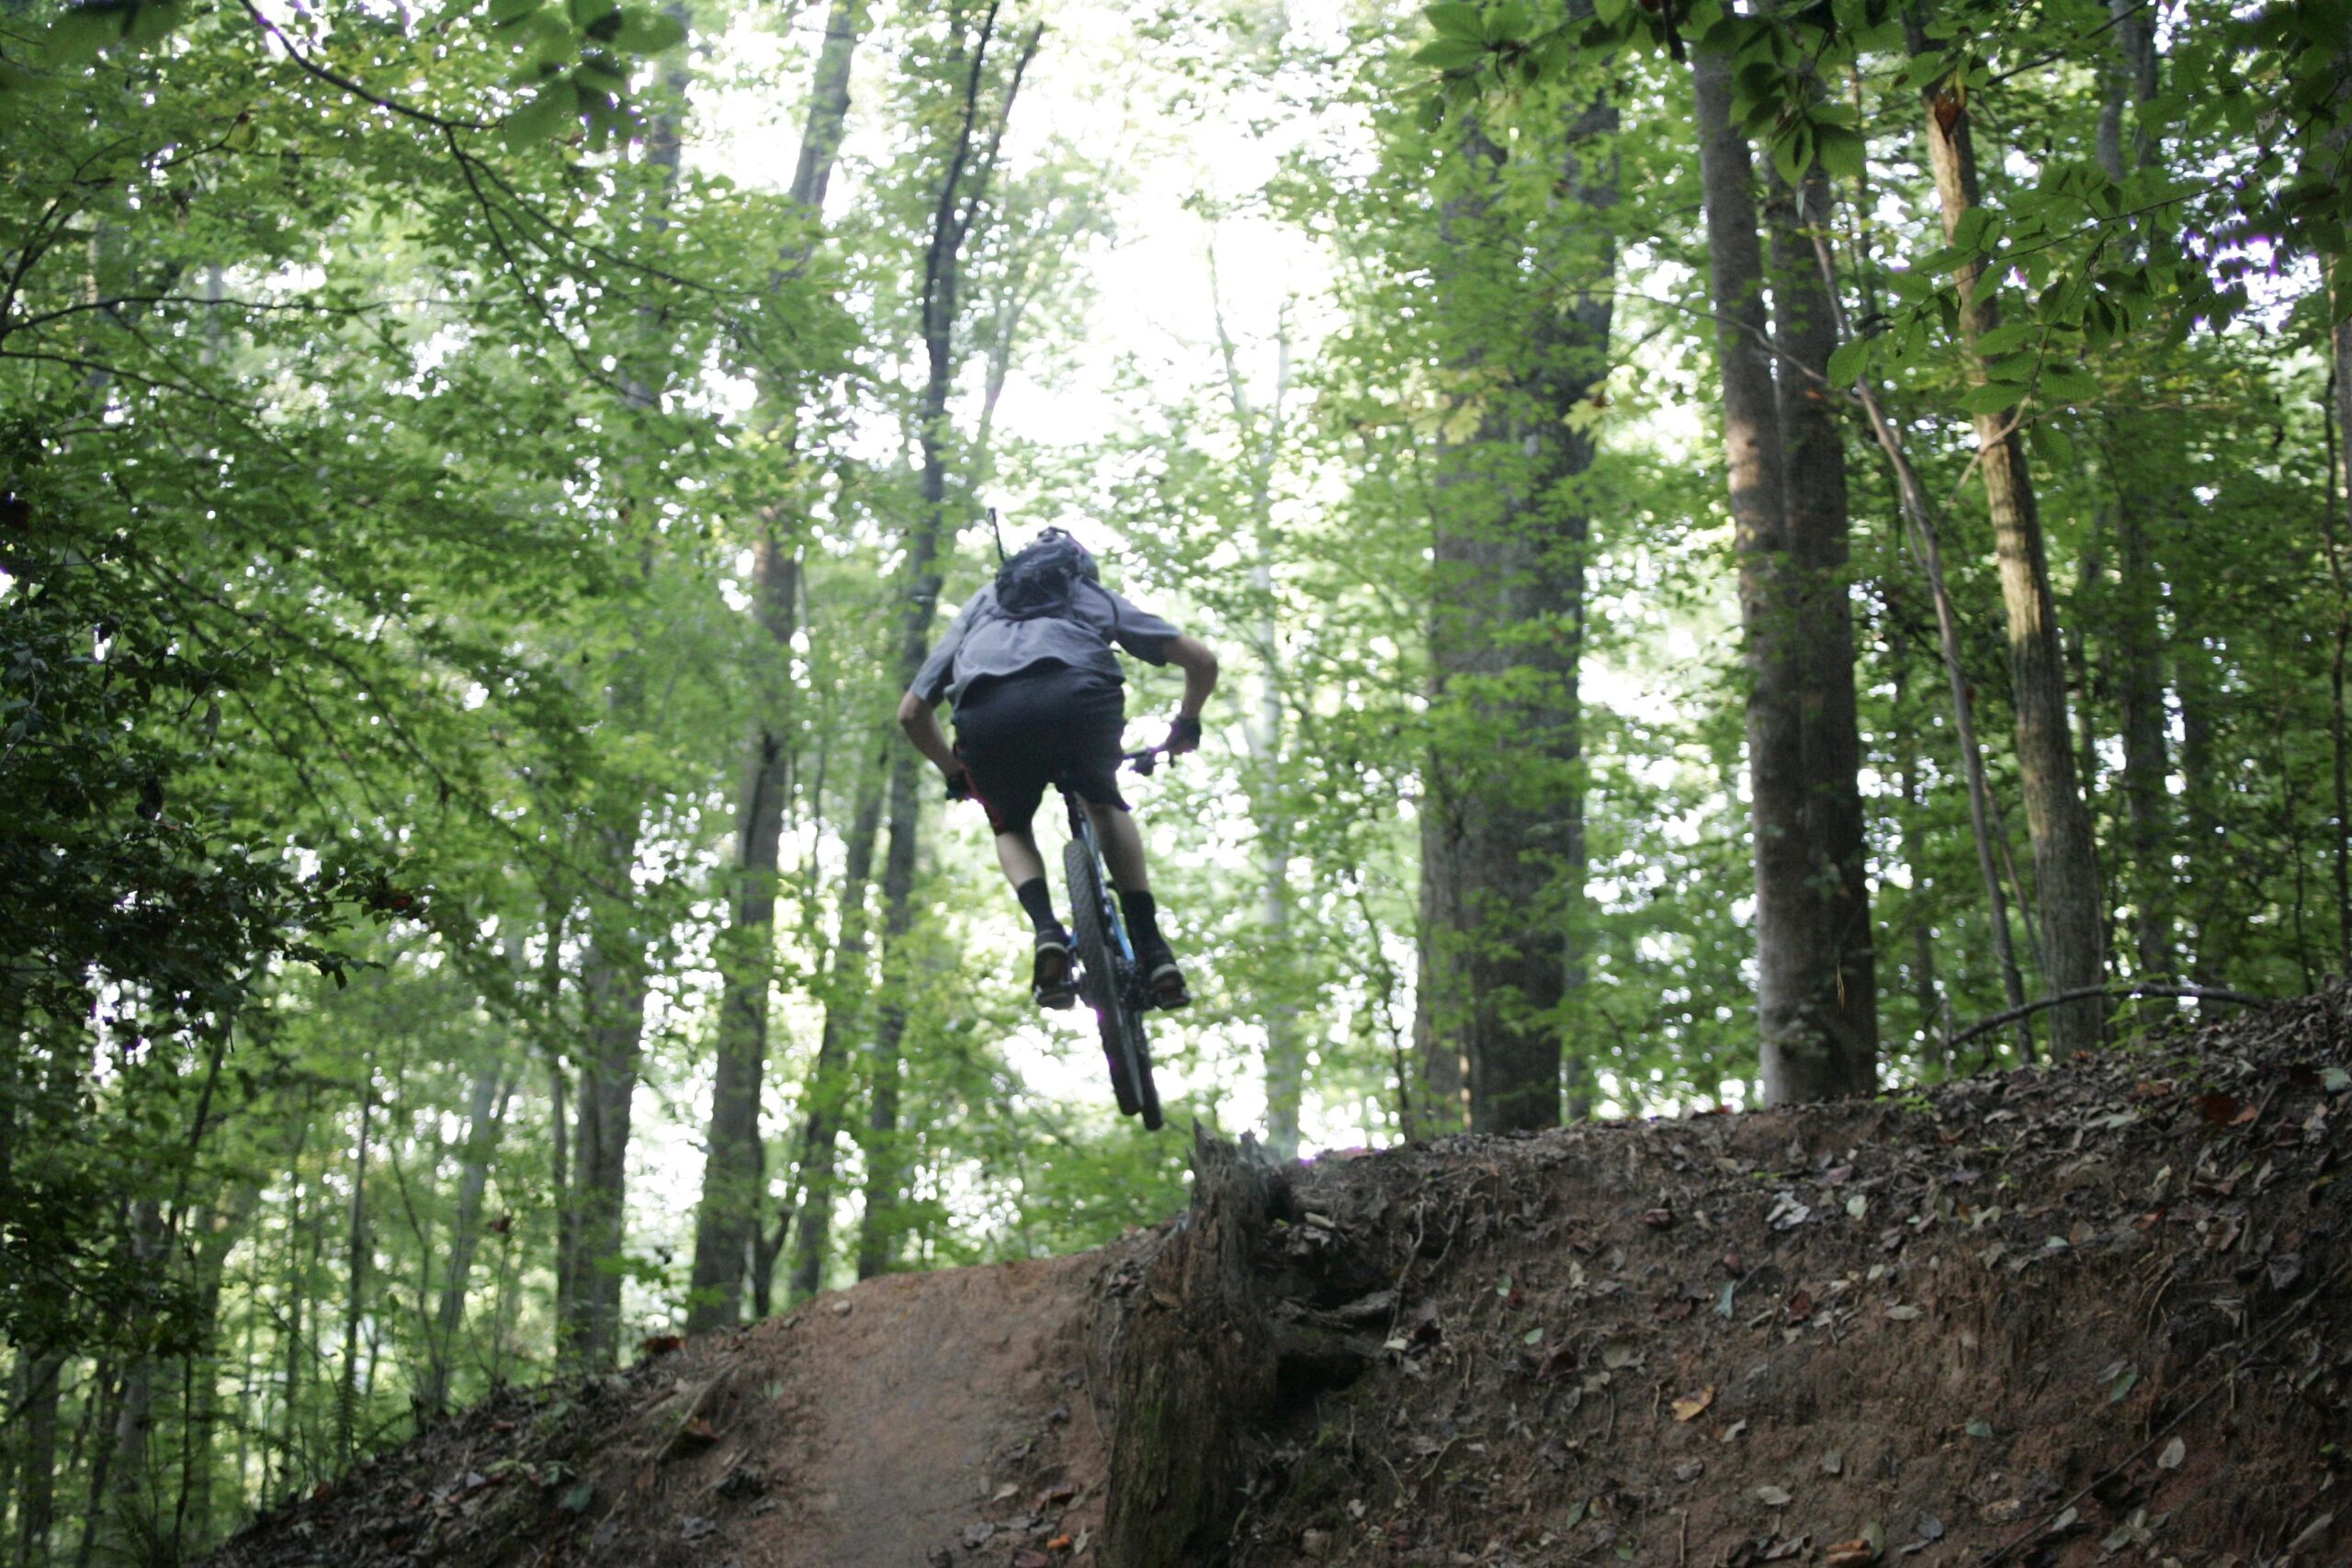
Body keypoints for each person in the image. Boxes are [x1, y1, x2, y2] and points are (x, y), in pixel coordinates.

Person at [897, 527, 1218, 1010]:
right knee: (1104, 802)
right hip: (1079, 703)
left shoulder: (982, 605)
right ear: (1078, 570)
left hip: (990, 718)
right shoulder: (1088, 594)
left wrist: (956, 773)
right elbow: (1201, 660)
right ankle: (1154, 950)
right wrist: (1186, 723)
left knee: (1009, 823)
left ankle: (1047, 931)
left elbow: (912, 713)